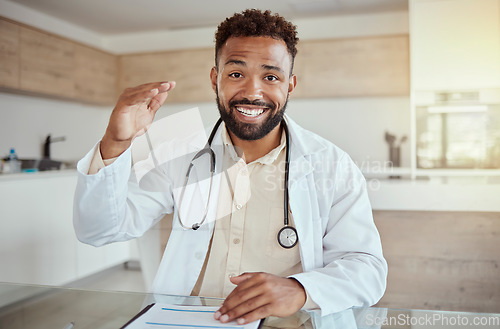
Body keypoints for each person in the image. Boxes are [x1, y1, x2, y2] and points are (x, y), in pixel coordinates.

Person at [74, 9, 387, 325]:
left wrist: (300, 290)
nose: (253, 92)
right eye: (236, 74)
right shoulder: (179, 156)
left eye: (271, 76)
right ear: (215, 79)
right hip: (188, 322)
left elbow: (368, 270)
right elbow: (99, 230)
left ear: (290, 85)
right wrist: (114, 142)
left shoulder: (331, 165)